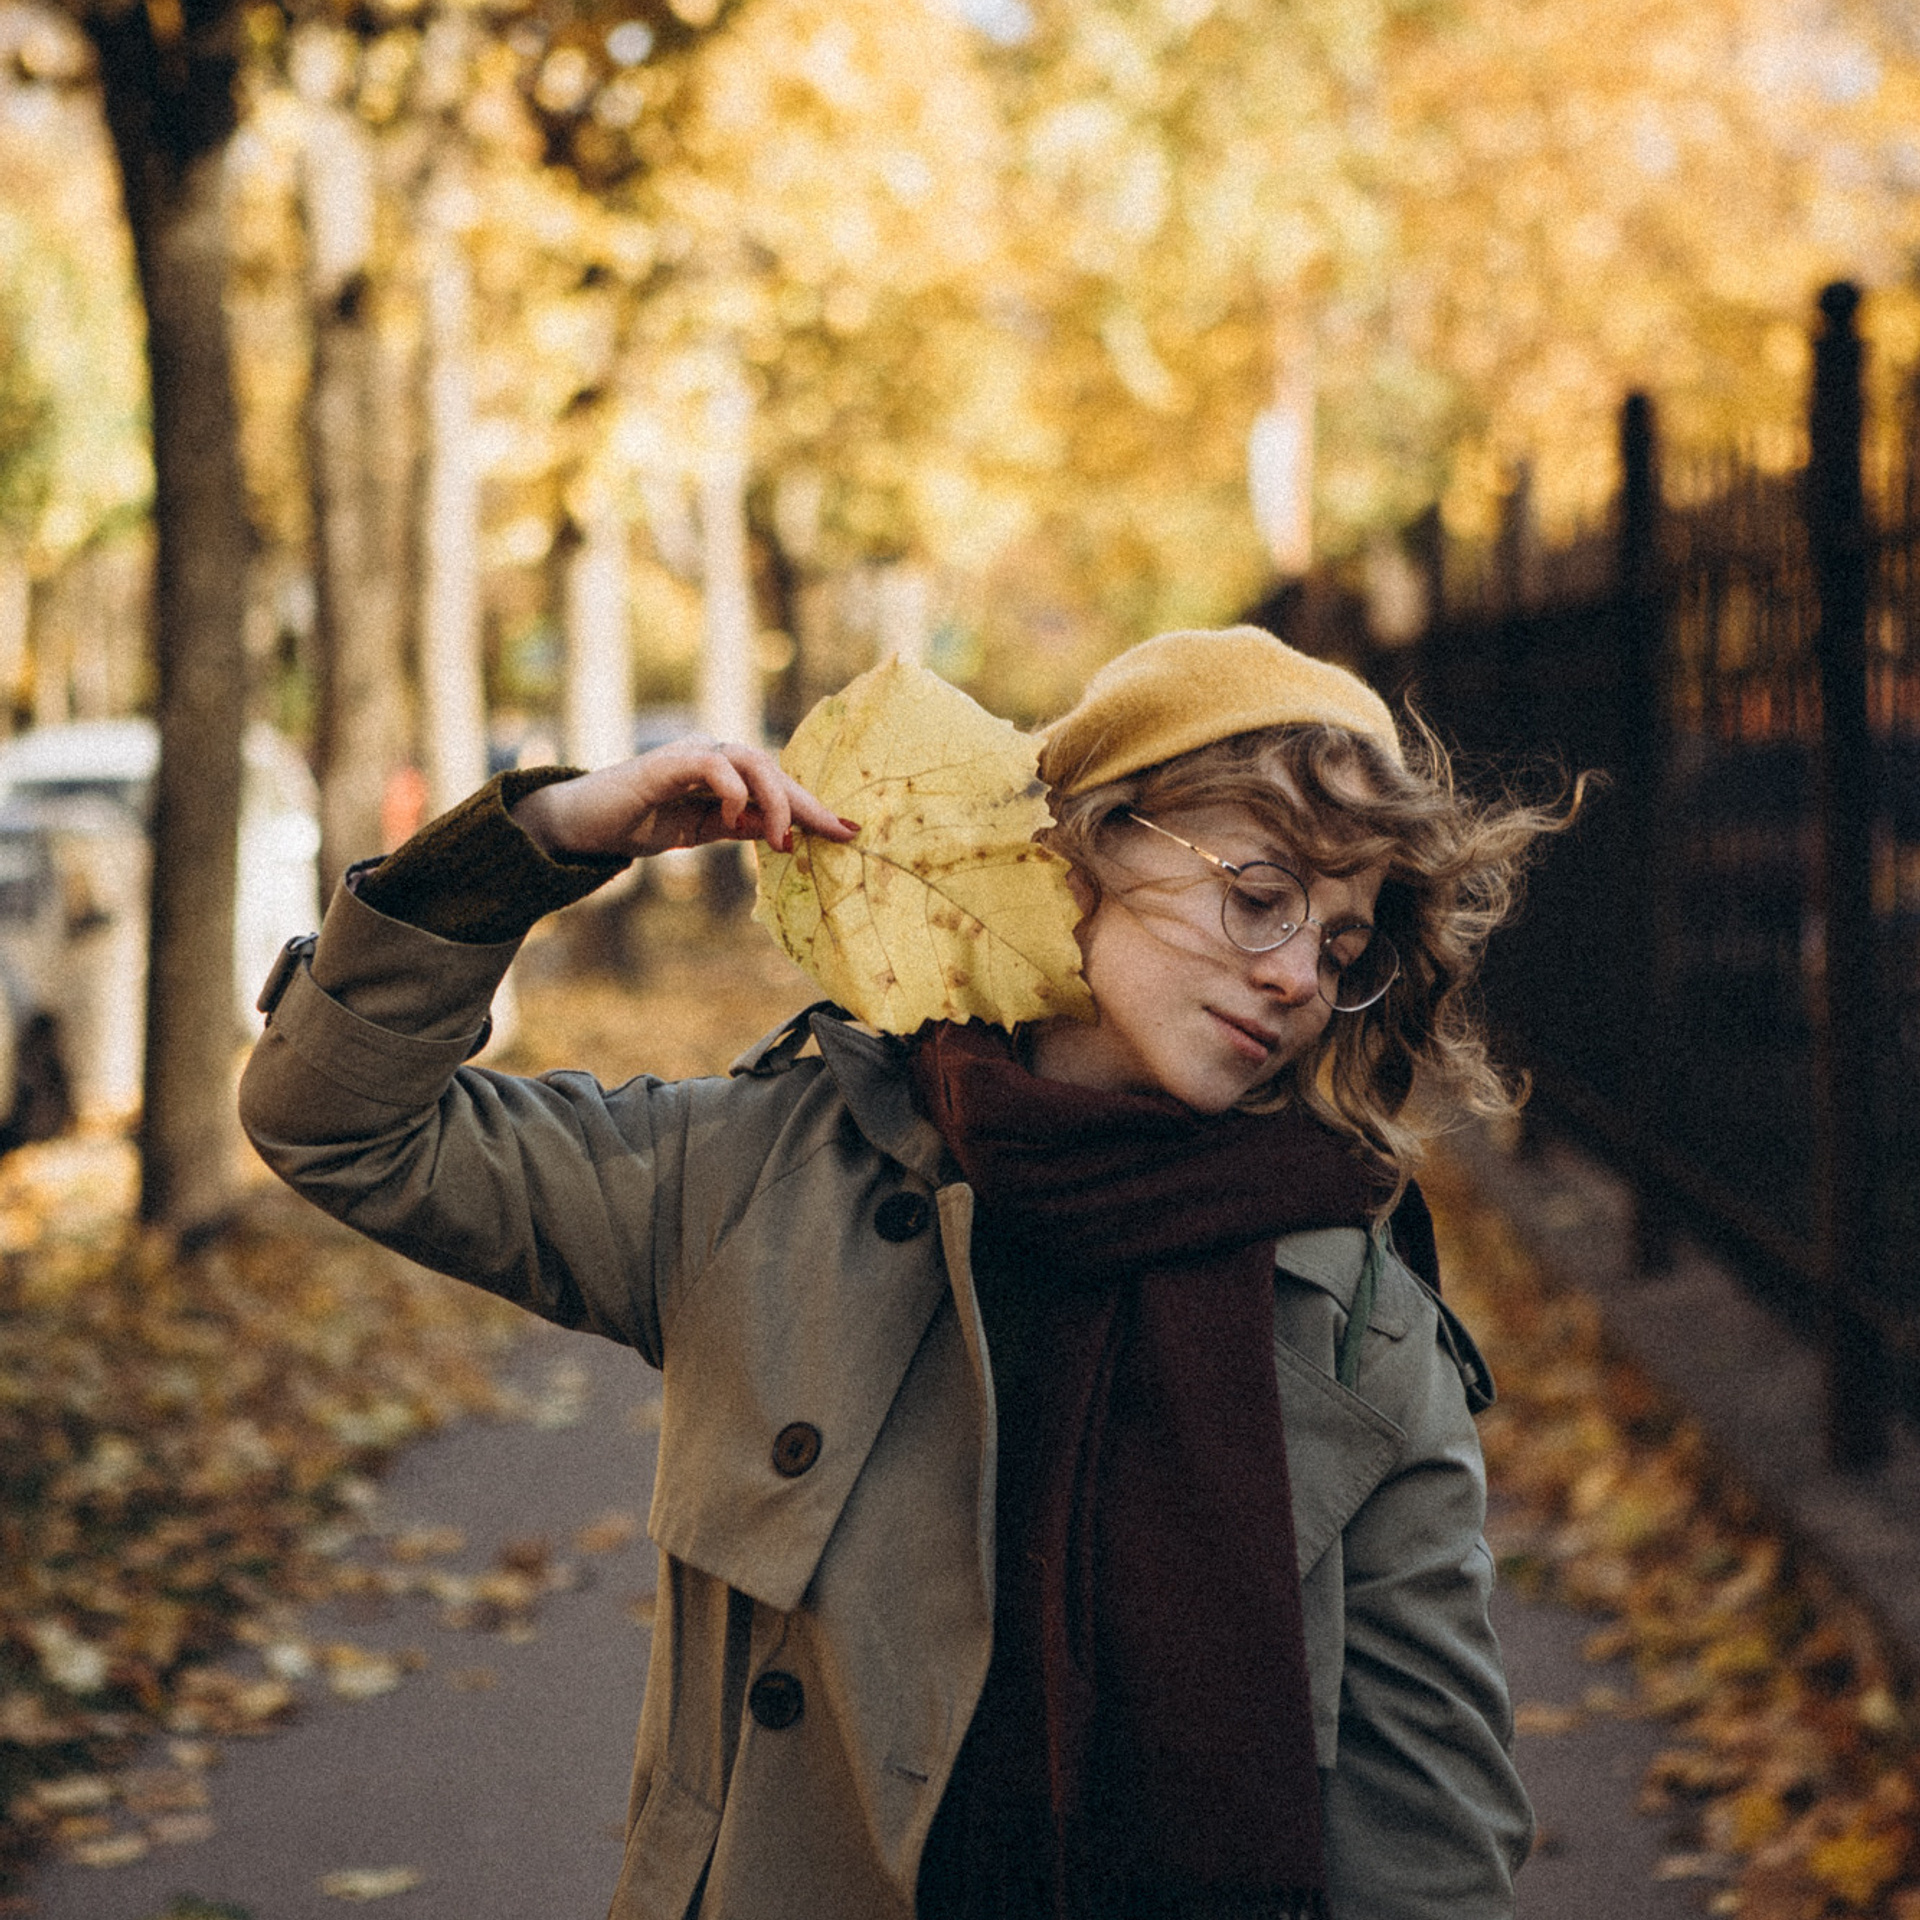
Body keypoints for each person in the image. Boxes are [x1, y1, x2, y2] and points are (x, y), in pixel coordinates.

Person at [239, 624, 1563, 1920]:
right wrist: (542, 842)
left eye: (1340, 947)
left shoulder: (1354, 1322)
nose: (1291, 977)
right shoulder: (757, 1180)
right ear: (1081, 844)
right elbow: (339, 1122)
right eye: (1260, 897)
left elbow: (1429, 1840)